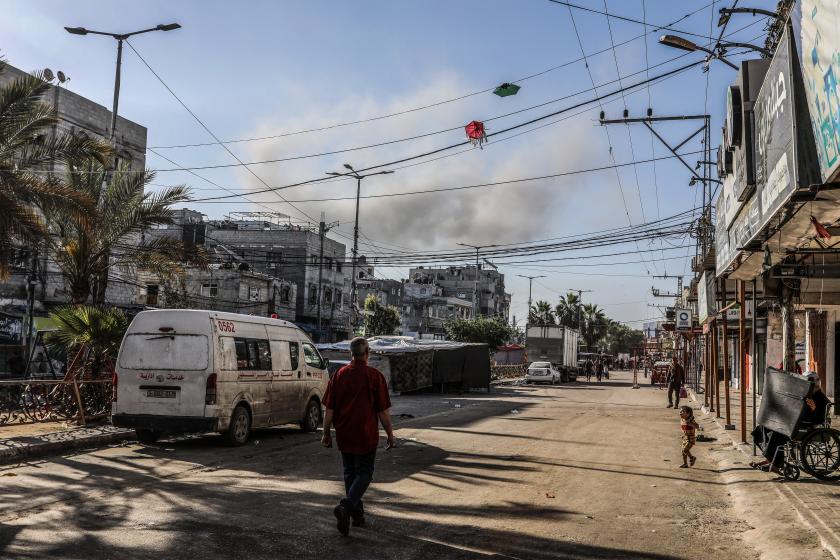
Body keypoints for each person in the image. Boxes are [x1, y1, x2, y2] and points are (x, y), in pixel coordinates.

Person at [321, 337, 395, 536]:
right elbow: (382, 412)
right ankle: (346, 506)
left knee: (350, 474)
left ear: (350, 354)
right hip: (365, 434)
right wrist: (390, 434)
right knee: (364, 474)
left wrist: (326, 432)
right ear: (367, 353)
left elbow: (330, 409)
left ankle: (357, 516)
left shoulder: (339, 375)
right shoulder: (374, 376)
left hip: (345, 434)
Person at [751, 372, 832, 472]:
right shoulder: (806, 394)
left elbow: (818, 418)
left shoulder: (821, 398)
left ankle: (775, 464)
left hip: (804, 426)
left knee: (777, 432)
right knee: (762, 428)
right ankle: (771, 458)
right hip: (793, 422)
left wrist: (813, 407)